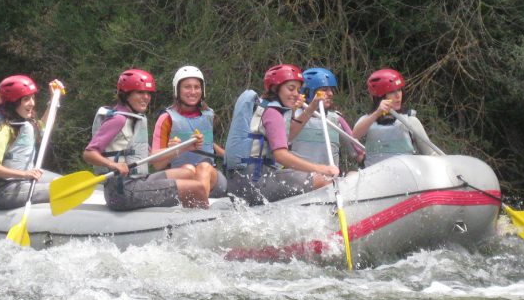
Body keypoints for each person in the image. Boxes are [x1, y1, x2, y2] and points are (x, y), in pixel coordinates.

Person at [83, 69, 211, 210]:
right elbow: (89, 153)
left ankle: (187, 215)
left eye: (148, 93)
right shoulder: (118, 119)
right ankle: (207, 224)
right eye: (140, 92)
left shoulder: (135, 119)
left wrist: (185, 147)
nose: (146, 97)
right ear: (126, 95)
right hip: (123, 191)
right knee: (197, 188)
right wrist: (114, 165)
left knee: (187, 173)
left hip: (137, 181)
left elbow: (151, 157)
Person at [224, 64, 339, 204]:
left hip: (239, 184)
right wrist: (321, 168)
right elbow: (281, 156)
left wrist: (312, 107)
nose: (296, 93)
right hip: (257, 182)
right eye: (291, 88)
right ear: (275, 88)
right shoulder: (273, 114)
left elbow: (287, 137)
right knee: (323, 180)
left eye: (298, 89)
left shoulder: (263, 107)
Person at [0, 74, 58, 210]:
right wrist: (25, 174)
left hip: (20, 183)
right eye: (26, 99)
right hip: (4, 192)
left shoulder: (22, 124)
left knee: (61, 182)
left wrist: (53, 100)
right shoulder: (3, 129)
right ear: (13, 102)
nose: (32, 103)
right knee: (60, 189)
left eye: (32, 97)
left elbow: (45, 126)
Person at [152, 66, 226, 197]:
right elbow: (157, 165)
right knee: (189, 170)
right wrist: (174, 150)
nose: (193, 91)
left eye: (197, 87)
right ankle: (197, 203)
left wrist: (228, 157)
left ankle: (200, 205)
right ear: (177, 90)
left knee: (203, 167)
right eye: (187, 87)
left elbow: (209, 145)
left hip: (212, 178)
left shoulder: (209, 115)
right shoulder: (166, 119)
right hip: (182, 178)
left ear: (202, 90)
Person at [352, 68, 442, 166]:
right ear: (380, 97)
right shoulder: (368, 120)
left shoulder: (410, 121)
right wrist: (377, 112)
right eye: (391, 92)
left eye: (399, 90)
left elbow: (430, 153)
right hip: (375, 178)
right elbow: (355, 135)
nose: (398, 95)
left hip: (403, 178)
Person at [288, 66, 364, 171]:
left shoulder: (336, 119)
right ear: (308, 92)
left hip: (329, 180)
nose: (330, 94)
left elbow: (359, 153)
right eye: (324, 90)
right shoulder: (293, 115)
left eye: (331, 90)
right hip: (298, 179)